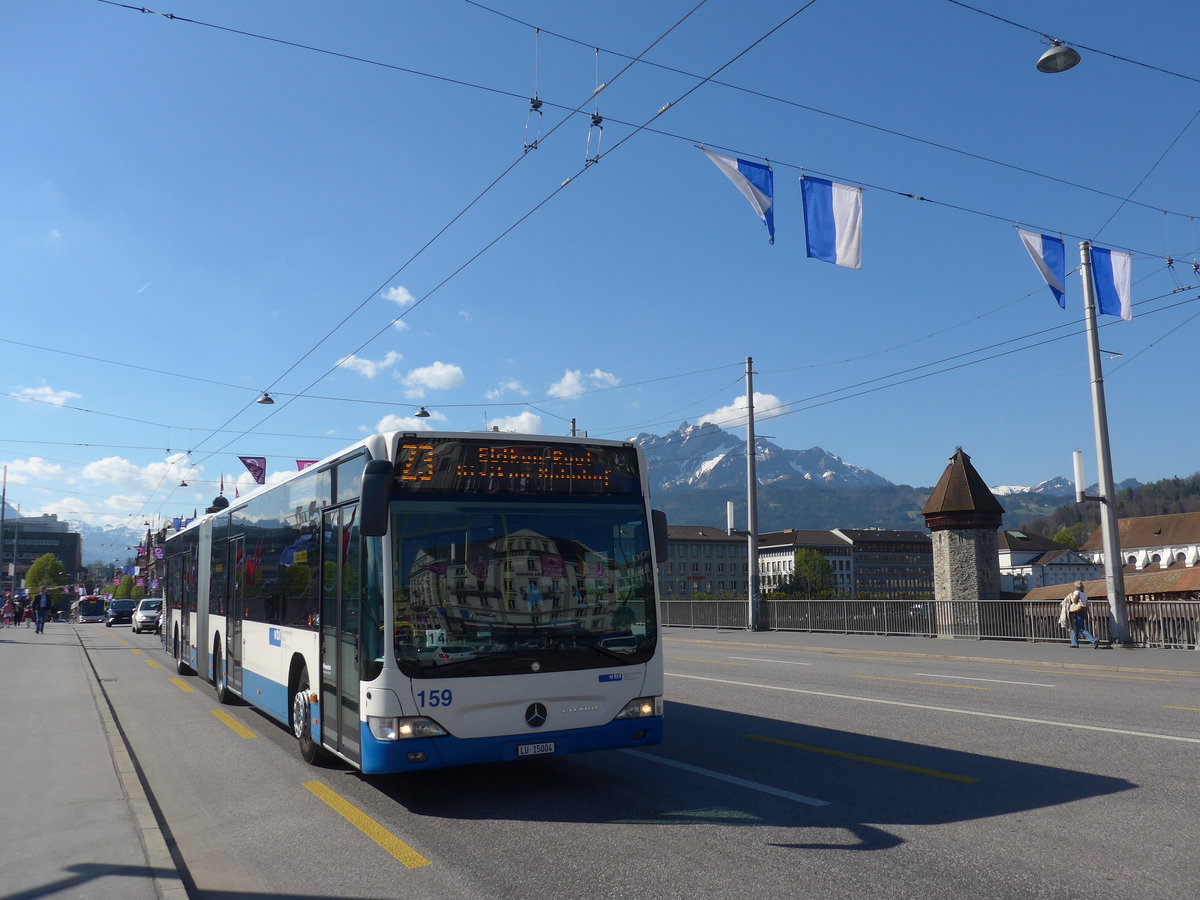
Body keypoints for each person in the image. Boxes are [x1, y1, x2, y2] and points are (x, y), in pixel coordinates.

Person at [1060, 580, 1099, 649]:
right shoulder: (1084, 595)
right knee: (1075, 628)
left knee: (1079, 628)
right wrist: (1089, 614)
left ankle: (1093, 640)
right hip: (1082, 611)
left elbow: (1074, 601)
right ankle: (1074, 643)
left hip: (1076, 611)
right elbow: (1087, 605)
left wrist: (1071, 595)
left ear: (1076, 586)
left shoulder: (1076, 592)